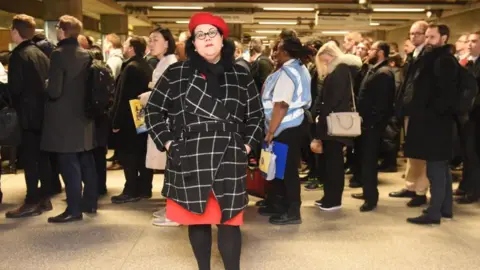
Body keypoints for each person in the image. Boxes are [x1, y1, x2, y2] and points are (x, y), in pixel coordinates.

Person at [145, 12, 264, 270]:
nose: (207, 38)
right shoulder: (176, 73)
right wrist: (167, 143)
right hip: (189, 153)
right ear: (193, 43)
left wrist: (245, 146)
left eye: (212, 33)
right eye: (200, 34)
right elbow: (153, 110)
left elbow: (256, 116)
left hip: (230, 154)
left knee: (230, 221)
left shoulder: (241, 75)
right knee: (197, 218)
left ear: (223, 39)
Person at [42, 15, 98, 223]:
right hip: (83, 115)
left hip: (63, 118)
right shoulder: (85, 54)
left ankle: (73, 209)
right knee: (86, 160)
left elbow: (55, 90)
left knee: (68, 163)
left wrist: (46, 83)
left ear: (62, 31)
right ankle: (90, 202)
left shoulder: (58, 54)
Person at [406, 24, 457, 225]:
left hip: (436, 123)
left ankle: (434, 212)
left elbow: (443, 95)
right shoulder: (437, 58)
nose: (428, 41)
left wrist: (429, 112)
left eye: (432, 37)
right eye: (426, 36)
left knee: (436, 170)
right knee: (441, 168)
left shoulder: (443, 61)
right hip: (436, 122)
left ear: (444, 38)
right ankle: (445, 209)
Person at [259, 36, 311, 225]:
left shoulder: (288, 73)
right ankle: (279, 205)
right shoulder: (299, 67)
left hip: (285, 127)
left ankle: (292, 211)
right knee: (280, 169)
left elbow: (281, 105)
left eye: (278, 49)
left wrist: (271, 131)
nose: (275, 53)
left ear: (286, 52)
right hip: (292, 125)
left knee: (288, 171)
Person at [5, 14, 53, 219]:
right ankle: (44, 198)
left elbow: (15, 89)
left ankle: (31, 200)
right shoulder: (40, 54)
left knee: (29, 158)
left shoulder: (18, 55)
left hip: (26, 115)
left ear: (16, 32)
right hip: (43, 114)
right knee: (42, 158)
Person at [312, 42, 362, 211]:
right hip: (332, 123)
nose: (323, 63)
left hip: (334, 124)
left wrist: (321, 115)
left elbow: (333, 99)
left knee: (334, 164)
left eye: (324, 59)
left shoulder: (340, 71)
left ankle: (333, 200)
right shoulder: (339, 70)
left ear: (329, 54)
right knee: (330, 163)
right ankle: (329, 196)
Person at [138, 27, 178, 226]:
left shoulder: (170, 63)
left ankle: (175, 210)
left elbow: (167, 95)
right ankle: (171, 206)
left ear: (167, 42)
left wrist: (147, 97)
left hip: (168, 123)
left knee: (172, 166)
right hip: (162, 120)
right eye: (150, 39)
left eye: (155, 39)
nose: (151, 43)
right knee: (168, 166)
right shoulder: (163, 62)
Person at [351, 41, 396, 212]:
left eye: (371, 49)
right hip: (366, 124)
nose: (368, 52)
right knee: (364, 160)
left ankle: (371, 198)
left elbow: (382, 105)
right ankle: (367, 191)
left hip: (372, 126)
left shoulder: (384, 73)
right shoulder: (373, 69)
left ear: (381, 52)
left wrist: (370, 124)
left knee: (369, 162)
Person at [390, 21, 430, 208]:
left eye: (418, 33)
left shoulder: (428, 55)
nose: (414, 36)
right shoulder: (413, 54)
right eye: (411, 33)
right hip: (409, 110)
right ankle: (411, 185)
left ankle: (420, 190)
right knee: (411, 151)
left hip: (421, 112)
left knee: (421, 153)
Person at [110, 36, 153, 204]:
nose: (124, 47)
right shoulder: (146, 66)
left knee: (129, 156)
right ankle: (144, 188)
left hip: (129, 118)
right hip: (141, 116)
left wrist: (116, 122)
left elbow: (122, 97)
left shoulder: (130, 68)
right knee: (141, 153)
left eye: (126, 44)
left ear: (132, 48)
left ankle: (131, 189)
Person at [456, 31, 480, 204]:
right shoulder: (470, 63)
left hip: (476, 115)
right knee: (467, 153)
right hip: (468, 115)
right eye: (469, 41)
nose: (470, 44)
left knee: (474, 154)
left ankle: (474, 191)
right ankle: (466, 185)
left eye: (475, 41)